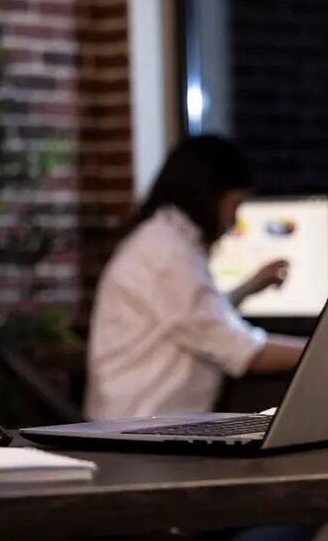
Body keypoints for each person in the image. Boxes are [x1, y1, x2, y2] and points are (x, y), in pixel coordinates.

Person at [84, 135, 306, 423]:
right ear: (210, 195)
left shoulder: (163, 240)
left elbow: (195, 318)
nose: (233, 222)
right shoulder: (166, 254)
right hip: (139, 430)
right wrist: (322, 351)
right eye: (235, 206)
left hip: (142, 423)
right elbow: (239, 350)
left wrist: (250, 287)